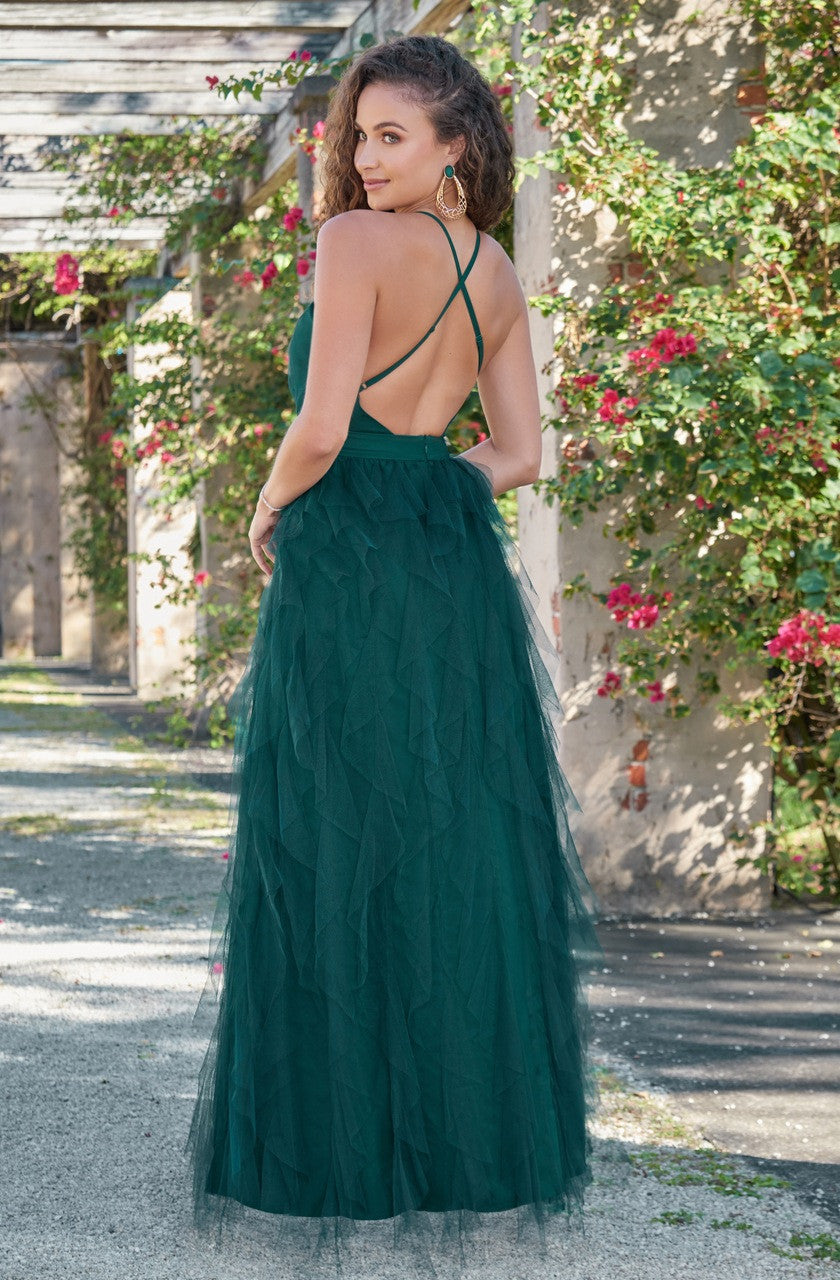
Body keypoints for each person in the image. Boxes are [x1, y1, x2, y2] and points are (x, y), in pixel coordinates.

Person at [186, 32, 604, 1277]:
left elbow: (319, 426)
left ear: (456, 145)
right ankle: (462, 1154)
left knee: (326, 836)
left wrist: (271, 511)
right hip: (446, 564)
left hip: (345, 563)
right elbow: (522, 453)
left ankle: (335, 1158)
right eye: (356, 135)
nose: (365, 160)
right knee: (451, 842)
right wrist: (429, 487)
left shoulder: (353, 246)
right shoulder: (498, 269)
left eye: (391, 136)